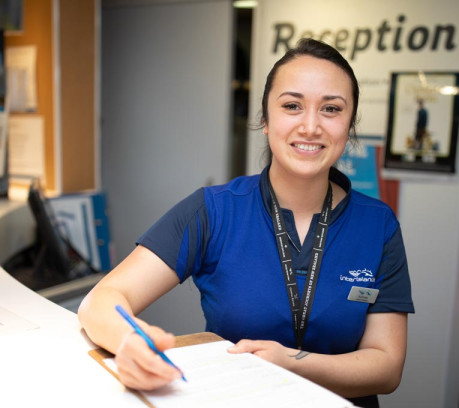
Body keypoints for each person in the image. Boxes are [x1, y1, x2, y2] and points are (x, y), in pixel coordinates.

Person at [78, 38, 414, 408]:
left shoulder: (377, 224)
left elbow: (387, 367)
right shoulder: (214, 211)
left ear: (349, 126)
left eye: (331, 109)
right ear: (266, 121)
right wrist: (131, 343)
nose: (311, 125)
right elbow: (101, 302)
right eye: (292, 106)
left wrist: (291, 364)